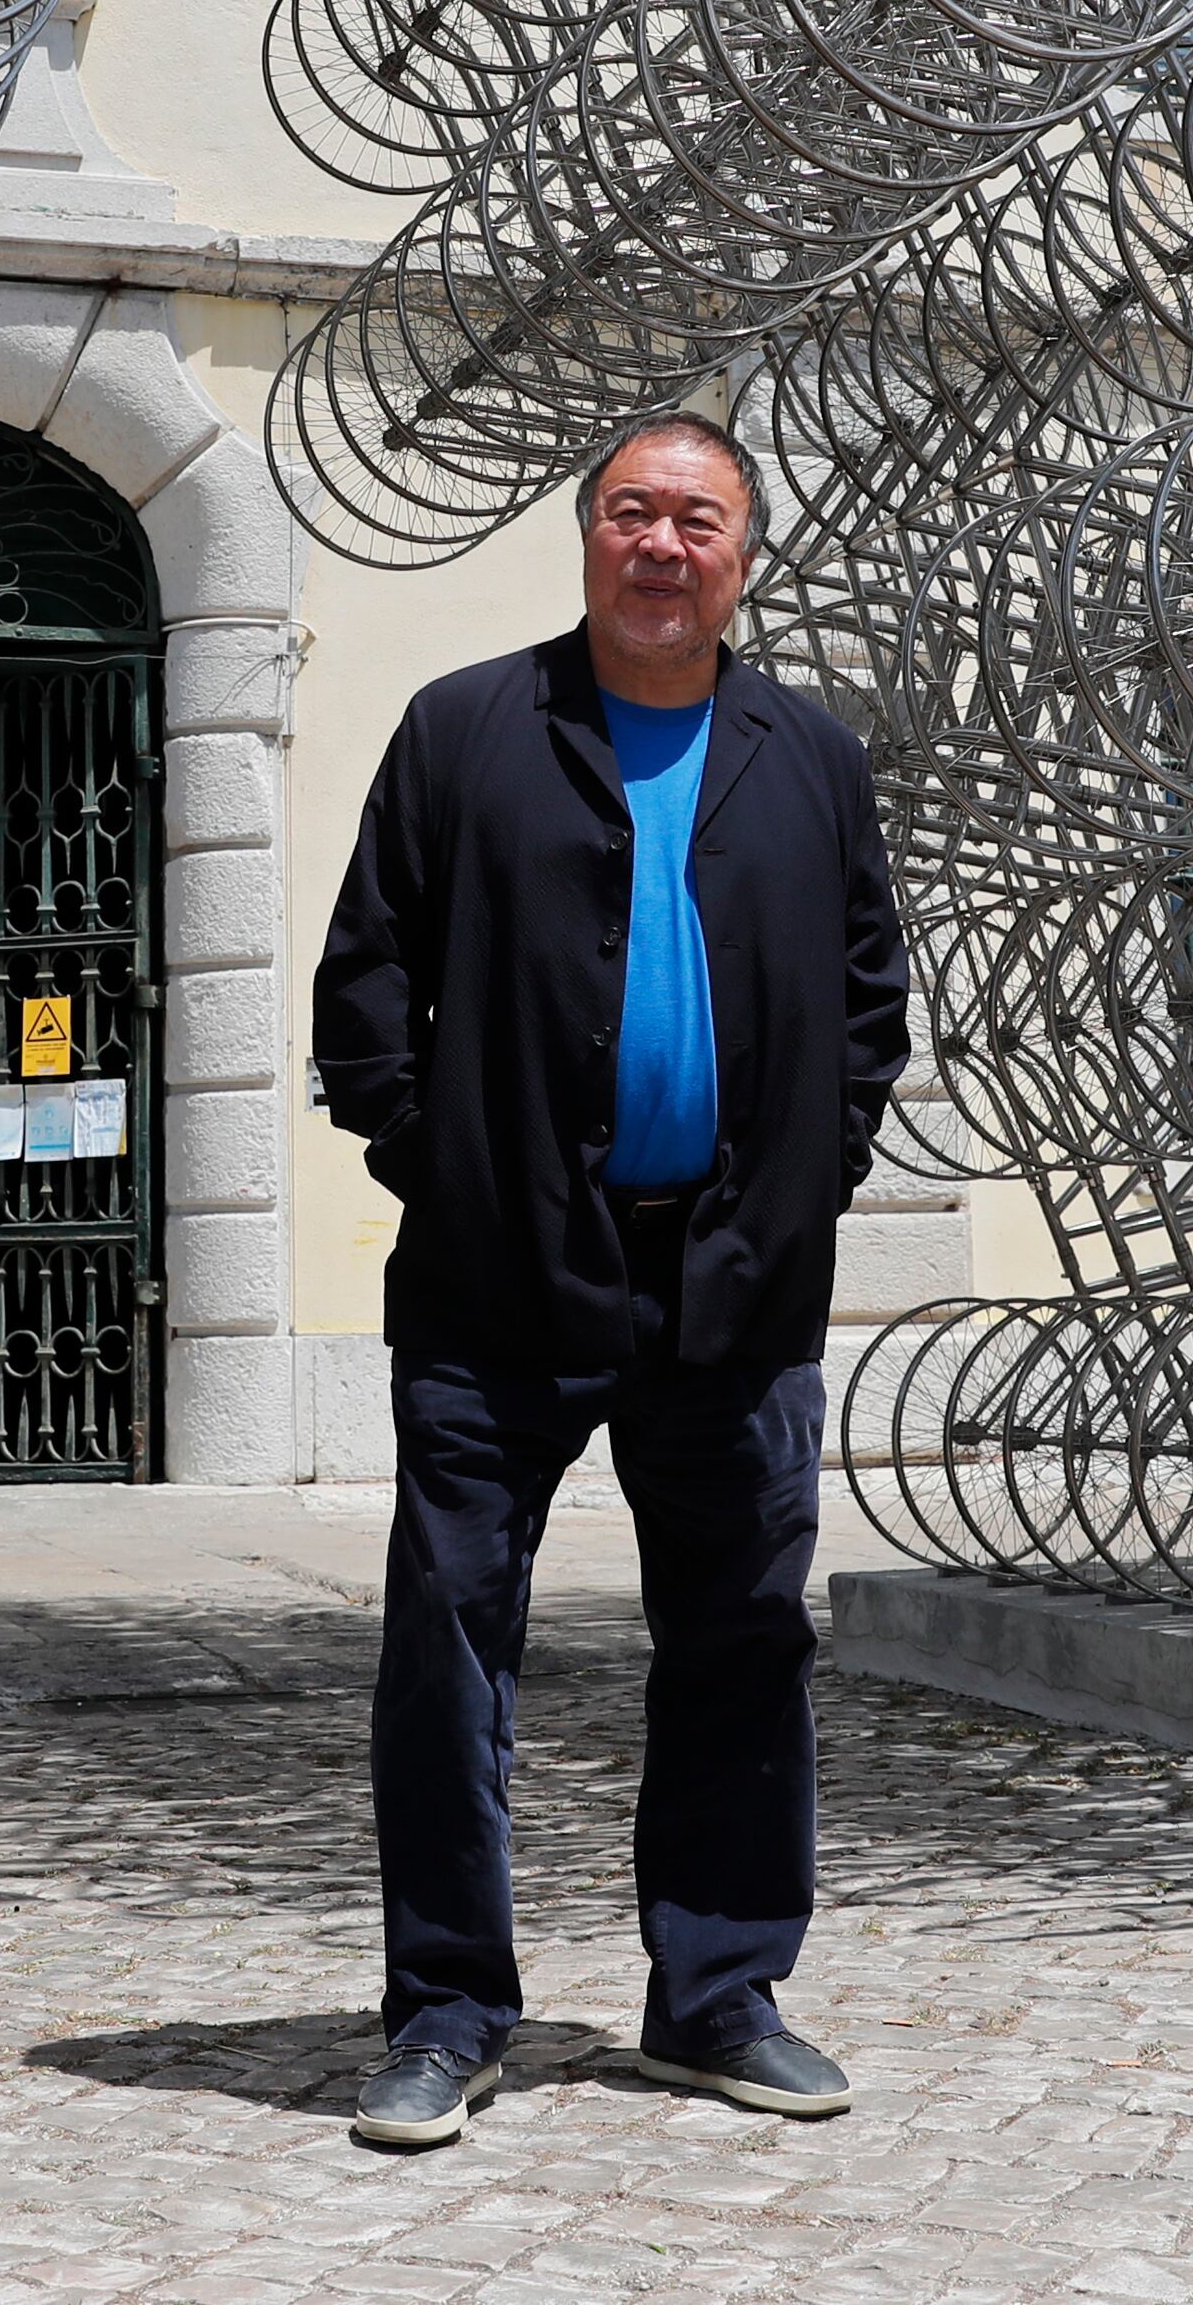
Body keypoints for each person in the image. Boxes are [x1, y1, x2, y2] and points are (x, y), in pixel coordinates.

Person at [309, 407, 910, 2151]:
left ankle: (717, 1992)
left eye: (698, 519)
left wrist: (812, 1178)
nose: (663, 543)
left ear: (742, 556)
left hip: (735, 1282)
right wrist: (451, 1165)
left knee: (739, 1641)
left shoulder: (810, 753)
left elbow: (868, 997)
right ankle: (444, 2008)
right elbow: (368, 982)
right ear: (587, 540)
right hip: (500, 1287)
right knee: (447, 1637)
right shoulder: (467, 729)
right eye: (634, 512)